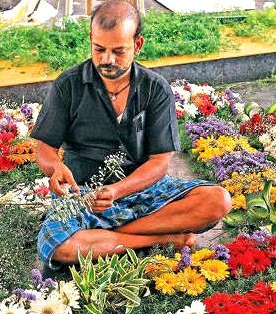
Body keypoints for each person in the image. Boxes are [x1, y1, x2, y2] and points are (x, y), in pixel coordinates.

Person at [31, 0, 232, 269]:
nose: (107, 60)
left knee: (217, 200)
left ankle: (112, 238)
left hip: (144, 191)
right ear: (91, 38)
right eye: (99, 49)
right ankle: (160, 238)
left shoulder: (156, 89)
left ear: (138, 45)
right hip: (84, 195)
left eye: (119, 51)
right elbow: (45, 148)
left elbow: (159, 162)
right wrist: (55, 168)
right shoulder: (68, 84)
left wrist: (116, 191)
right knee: (59, 247)